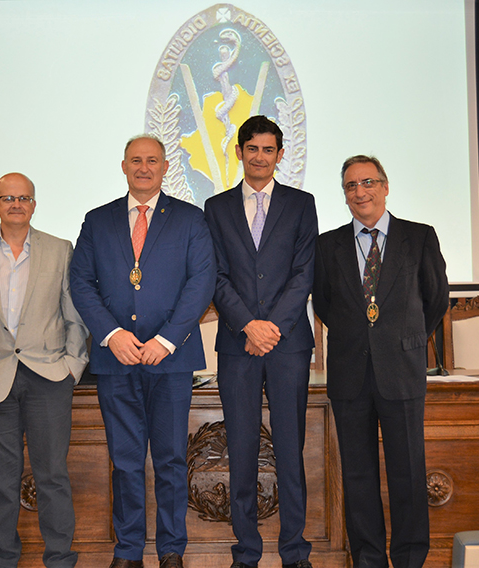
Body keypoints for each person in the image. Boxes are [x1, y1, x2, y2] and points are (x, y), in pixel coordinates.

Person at [69, 135, 216, 568]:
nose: (144, 167)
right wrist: (111, 334)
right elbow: (81, 283)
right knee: (126, 461)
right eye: (136, 160)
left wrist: (166, 340)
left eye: (152, 160)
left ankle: (171, 550)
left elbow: (201, 283)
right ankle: (128, 551)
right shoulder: (97, 221)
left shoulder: (190, 219)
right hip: (116, 361)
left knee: (171, 460)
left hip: (171, 360)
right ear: (123, 166)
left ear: (166, 167)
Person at [313, 156, 449, 568]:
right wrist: (363, 336)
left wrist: (401, 339)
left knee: (408, 474)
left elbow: (436, 298)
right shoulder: (328, 244)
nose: (360, 192)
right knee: (357, 478)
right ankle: (369, 559)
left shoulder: (419, 237)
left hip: (402, 372)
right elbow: (324, 302)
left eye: (367, 182)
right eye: (351, 186)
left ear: (385, 187)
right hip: (350, 373)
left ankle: (409, 559)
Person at [0, 173, 88, 568]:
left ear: (34, 204)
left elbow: (74, 315)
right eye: (8, 198)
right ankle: (4, 559)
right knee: (2, 482)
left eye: (24, 198)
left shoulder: (60, 250)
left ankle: (60, 559)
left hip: (48, 378)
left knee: (53, 477)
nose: (16, 204)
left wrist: (73, 366)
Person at [204, 115, 318, 568]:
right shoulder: (216, 208)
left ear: (280, 155)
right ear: (239, 152)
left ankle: (295, 552)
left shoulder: (301, 203)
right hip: (238, 345)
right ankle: (246, 552)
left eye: (269, 150)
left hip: (287, 345)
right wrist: (247, 325)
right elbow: (215, 275)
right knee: (242, 452)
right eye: (252, 148)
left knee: (290, 450)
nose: (260, 157)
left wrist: (270, 327)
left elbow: (304, 272)